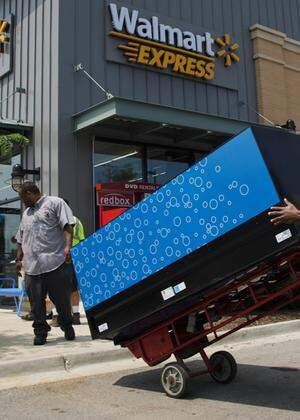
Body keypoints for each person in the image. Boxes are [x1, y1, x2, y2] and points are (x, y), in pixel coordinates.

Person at [15, 182, 75, 345]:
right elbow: (21, 239)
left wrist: (68, 247)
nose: (22, 202)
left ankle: (66, 324)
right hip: (32, 267)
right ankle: (40, 331)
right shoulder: (26, 214)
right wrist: (18, 259)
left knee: (61, 300)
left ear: (29, 193)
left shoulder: (55, 203)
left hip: (55, 262)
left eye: (22, 198)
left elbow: (68, 226)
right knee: (36, 304)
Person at [51, 199, 85, 327]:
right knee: (73, 288)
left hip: (57, 258)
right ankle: (75, 316)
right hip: (73, 258)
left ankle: (56, 317)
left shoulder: (54, 221)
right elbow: (81, 240)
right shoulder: (76, 220)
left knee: (53, 287)